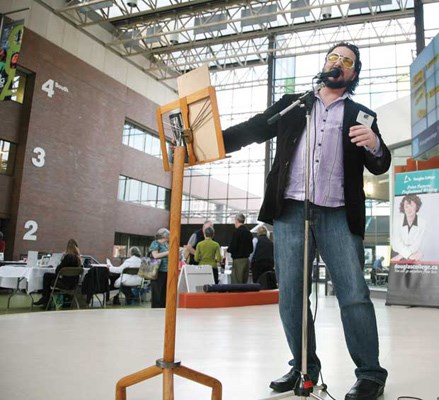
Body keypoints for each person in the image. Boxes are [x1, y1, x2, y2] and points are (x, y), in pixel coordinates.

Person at [222, 42, 390, 400]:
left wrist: (375, 143)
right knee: (293, 297)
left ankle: (371, 374)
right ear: (324, 64)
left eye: (347, 61)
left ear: (353, 73)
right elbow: (253, 129)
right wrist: (209, 144)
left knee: (354, 294)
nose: (339, 64)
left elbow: (380, 163)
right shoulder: (294, 105)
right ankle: (304, 368)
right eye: (334, 57)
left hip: (339, 214)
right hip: (291, 211)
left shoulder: (362, 114)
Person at [33, 238, 82, 308]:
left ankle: (45, 298)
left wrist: (62, 259)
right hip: (74, 284)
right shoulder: (78, 259)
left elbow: (58, 270)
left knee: (47, 276)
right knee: (50, 277)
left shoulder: (68, 257)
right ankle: (46, 298)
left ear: (68, 247)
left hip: (65, 284)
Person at [391, 194, 426, 261]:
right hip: (397, 253)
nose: (408, 209)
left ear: (416, 206)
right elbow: (397, 242)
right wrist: (408, 255)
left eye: (411, 206)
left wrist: (401, 256)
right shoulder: (397, 221)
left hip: (413, 254)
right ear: (403, 208)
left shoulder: (422, 223)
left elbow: (417, 243)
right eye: (406, 206)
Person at [227, 213, 253, 284]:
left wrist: (228, 250)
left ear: (237, 220)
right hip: (246, 261)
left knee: (237, 284)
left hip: (238, 261)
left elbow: (233, 247)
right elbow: (251, 249)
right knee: (244, 284)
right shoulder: (249, 233)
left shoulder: (237, 232)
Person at [149, 228, 170, 308]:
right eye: (168, 235)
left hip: (166, 270)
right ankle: (156, 310)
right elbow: (155, 255)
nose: (169, 237)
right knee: (157, 293)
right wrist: (169, 252)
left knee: (164, 293)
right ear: (164, 236)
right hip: (157, 271)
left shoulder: (166, 244)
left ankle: (163, 308)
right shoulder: (155, 243)